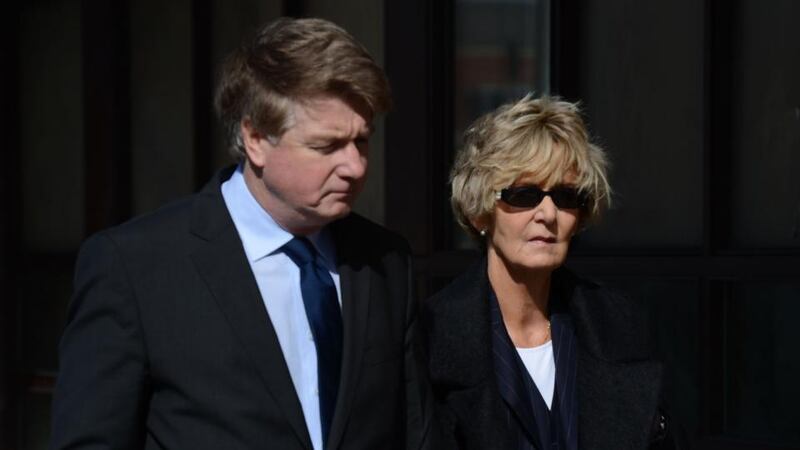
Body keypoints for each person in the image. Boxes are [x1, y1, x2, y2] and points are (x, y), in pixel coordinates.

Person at [51, 17, 431, 450]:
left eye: (362, 142)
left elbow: (413, 433)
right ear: (255, 139)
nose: (356, 167)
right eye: (327, 146)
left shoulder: (384, 261)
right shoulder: (135, 266)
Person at [422, 95, 682, 449]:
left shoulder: (619, 325)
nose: (547, 213)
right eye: (525, 194)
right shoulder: (430, 338)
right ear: (479, 211)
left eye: (565, 196)